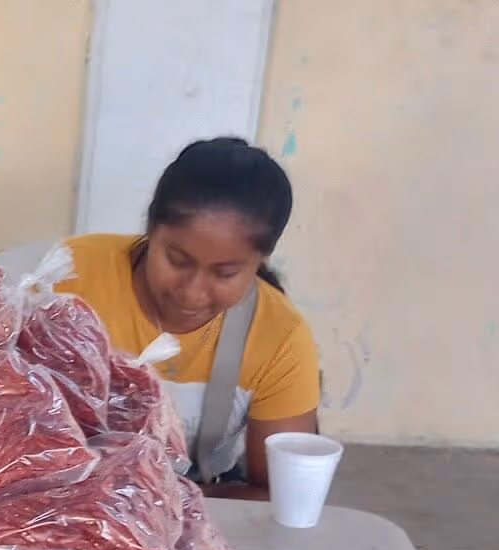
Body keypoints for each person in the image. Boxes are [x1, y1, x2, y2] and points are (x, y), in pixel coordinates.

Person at [49, 137, 320, 499]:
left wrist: (153, 505)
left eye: (225, 274)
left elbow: (282, 495)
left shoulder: (279, 337)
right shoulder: (66, 276)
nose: (192, 292)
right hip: (57, 492)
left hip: (198, 500)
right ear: (150, 227)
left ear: (260, 262)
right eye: (177, 260)